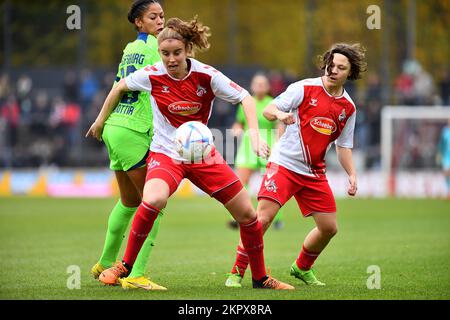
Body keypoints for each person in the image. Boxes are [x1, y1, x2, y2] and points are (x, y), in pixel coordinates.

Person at [86, 16, 294, 291]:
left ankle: (260, 278)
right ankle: (124, 267)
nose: (170, 59)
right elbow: (120, 86)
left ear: (187, 51)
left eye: (176, 53)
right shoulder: (151, 74)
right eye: (165, 53)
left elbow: (244, 97)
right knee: (153, 199)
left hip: (202, 155)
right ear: (159, 52)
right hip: (166, 153)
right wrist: (100, 120)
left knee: (248, 215)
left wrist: (254, 135)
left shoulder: (206, 75)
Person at [225, 43, 366, 288]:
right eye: (330, 64)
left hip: (314, 172)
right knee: (263, 218)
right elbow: (269, 109)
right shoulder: (304, 87)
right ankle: (237, 272)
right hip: (284, 165)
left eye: (340, 67)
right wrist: (280, 115)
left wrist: (352, 173)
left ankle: (301, 267)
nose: (333, 70)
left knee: (329, 228)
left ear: (350, 73)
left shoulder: (349, 107)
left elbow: (344, 146)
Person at [87, 0, 167, 290]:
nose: (160, 20)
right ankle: (136, 274)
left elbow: (118, 87)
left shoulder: (130, 49)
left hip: (115, 128)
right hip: (133, 130)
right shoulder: (154, 51)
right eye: (153, 16)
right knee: (154, 204)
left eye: (162, 16)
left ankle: (105, 262)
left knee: (129, 201)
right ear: (138, 22)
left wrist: (100, 121)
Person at [228, 73, 284, 230]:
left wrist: (278, 144)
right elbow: (239, 123)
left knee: (272, 183)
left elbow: (279, 126)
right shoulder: (246, 102)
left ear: (267, 87)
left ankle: (276, 219)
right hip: (249, 144)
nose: (259, 87)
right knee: (240, 183)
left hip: (268, 145)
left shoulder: (272, 104)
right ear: (252, 86)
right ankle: (238, 217)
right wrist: (236, 130)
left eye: (262, 84)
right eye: (256, 84)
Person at [438, 119, 450, 198]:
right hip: (446, 156)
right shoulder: (445, 132)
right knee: (446, 173)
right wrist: (439, 154)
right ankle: (448, 191)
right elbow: (441, 144)